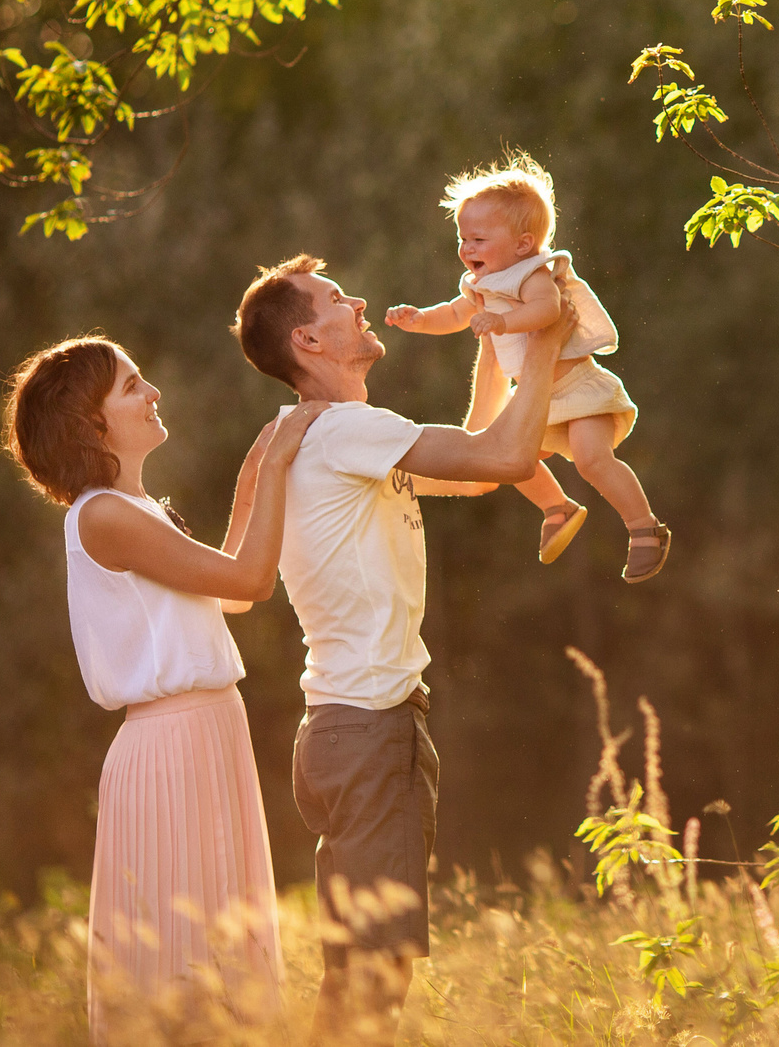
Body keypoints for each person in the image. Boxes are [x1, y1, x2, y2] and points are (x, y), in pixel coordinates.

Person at [229, 252, 575, 1033]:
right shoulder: (348, 428)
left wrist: (494, 349)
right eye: (333, 298)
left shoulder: (329, 436)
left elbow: (482, 470)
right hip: (371, 728)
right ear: (309, 343)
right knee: (372, 982)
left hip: (341, 730)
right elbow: (509, 456)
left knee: (358, 970)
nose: (357, 300)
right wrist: (549, 337)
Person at [3, 336, 323, 1041]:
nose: (153, 393)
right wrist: (277, 462)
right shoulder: (101, 514)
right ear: (92, 423)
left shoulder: (137, 508)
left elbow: (232, 593)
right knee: (181, 967)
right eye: (132, 385)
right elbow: (251, 580)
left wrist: (253, 471)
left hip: (209, 731)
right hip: (171, 743)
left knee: (224, 955)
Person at [387, 153, 669, 583]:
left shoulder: (533, 273)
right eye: (463, 239)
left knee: (592, 460)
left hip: (577, 390)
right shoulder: (481, 285)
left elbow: (547, 309)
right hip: (537, 397)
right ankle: (557, 507)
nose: (467, 249)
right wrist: (420, 319)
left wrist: (502, 322)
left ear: (522, 244)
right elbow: (453, 312)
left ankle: (644, 527)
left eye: (479, 239)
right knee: (508, 458)